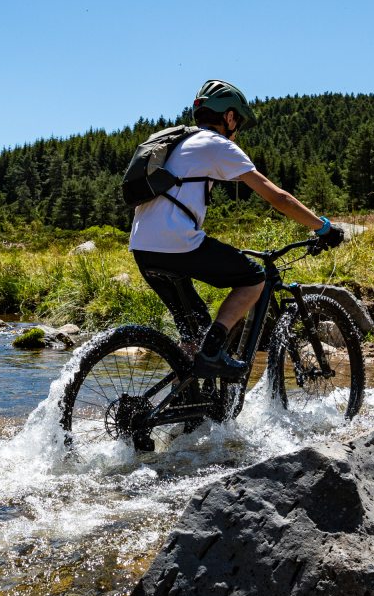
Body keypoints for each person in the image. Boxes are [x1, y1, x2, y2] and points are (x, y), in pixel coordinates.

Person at [129, 79, 344, 379]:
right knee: (253, 277)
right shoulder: (218, 145)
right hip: (175, 242)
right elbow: (277, 197)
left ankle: (190, 405)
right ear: (229, 117)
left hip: (142, 246)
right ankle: (212, 351)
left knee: (195, 332)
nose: (237, 128)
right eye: (238, 121)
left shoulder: (182, 143)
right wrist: (322, 228)